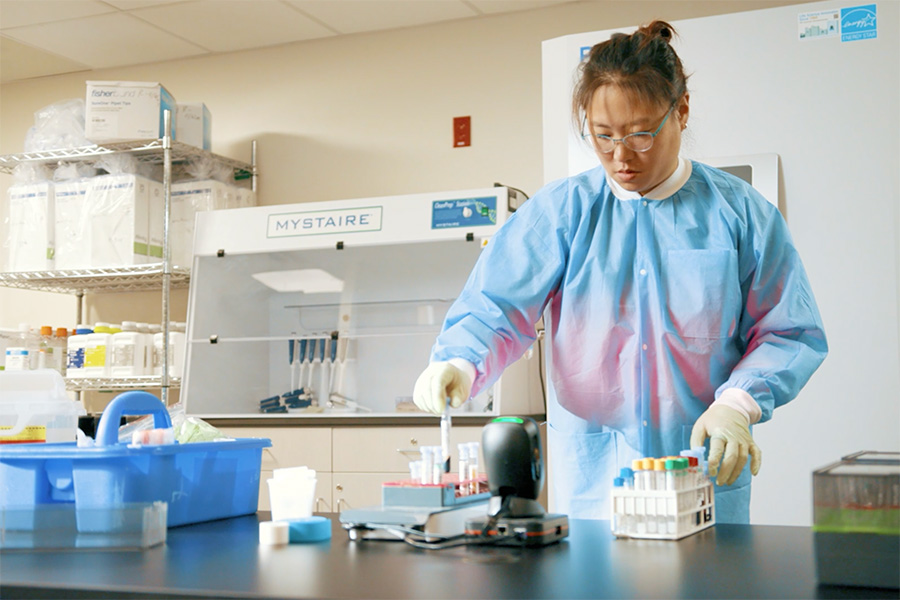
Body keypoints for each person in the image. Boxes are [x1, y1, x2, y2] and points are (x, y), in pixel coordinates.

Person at [412, 20, 827, 523]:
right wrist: (458, 361)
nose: (620, 156)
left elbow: (789, 331)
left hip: (701, 478)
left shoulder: (742, 215)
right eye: (602, 136)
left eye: (640, 135)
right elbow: (496, 307)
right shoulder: (562, 213)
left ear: (683, 111)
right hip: (595, 483)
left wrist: (737, 404)